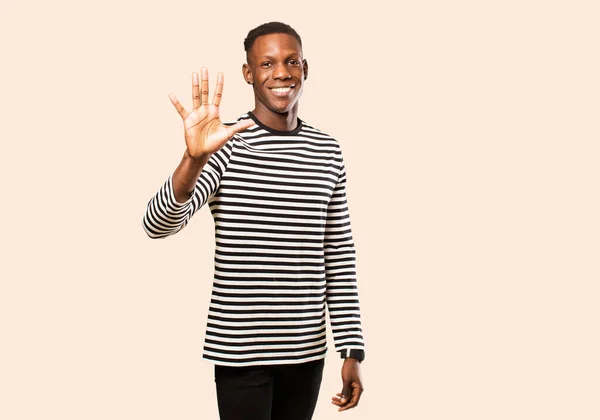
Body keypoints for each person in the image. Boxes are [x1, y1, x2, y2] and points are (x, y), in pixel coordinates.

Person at [142, 21, 365, 420]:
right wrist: (193, 158)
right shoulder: (225, 144)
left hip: (306, 354)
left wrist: (351, 351)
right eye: (267, 64)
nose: (281, 73)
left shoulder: (327, 151)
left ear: (305, 69)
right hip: (241, 353)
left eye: (291, 61)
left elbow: (339, 255)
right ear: (249, 73)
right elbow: (157, 224)